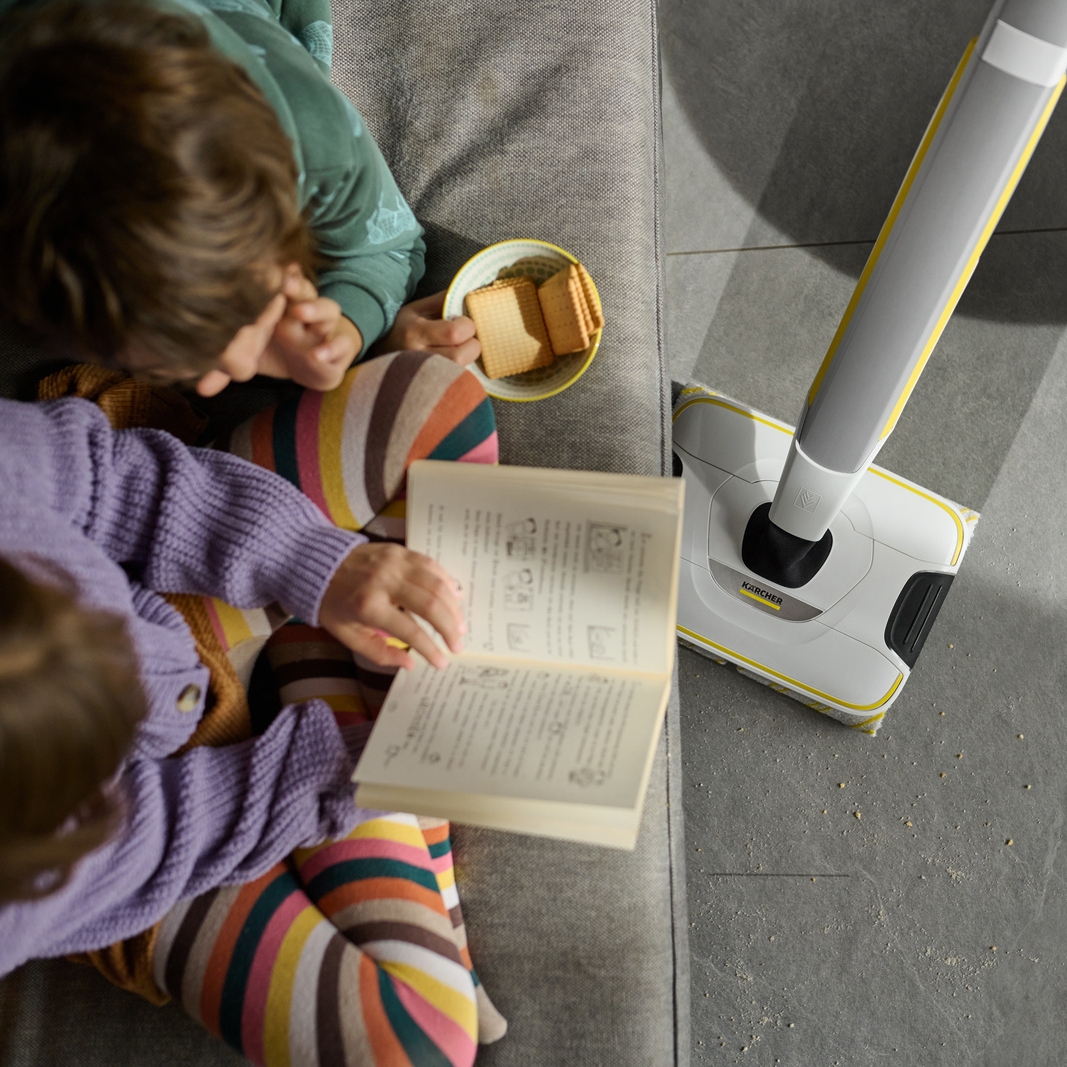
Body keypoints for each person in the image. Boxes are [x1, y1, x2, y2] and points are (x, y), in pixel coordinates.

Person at [0, 363, 505, 1064]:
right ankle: (328, 676)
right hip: (142, 861)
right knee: (417, 1045)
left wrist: (314, 564)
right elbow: (157, 828)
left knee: (438, 400)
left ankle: (309, 645)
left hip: (157, 598)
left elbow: (112, 480)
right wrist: (353, 763)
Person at [0, 0, 481, 398]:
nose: (235, 372)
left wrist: (349, 330)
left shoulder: (312, 135)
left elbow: (388, 247)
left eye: (254, 310)